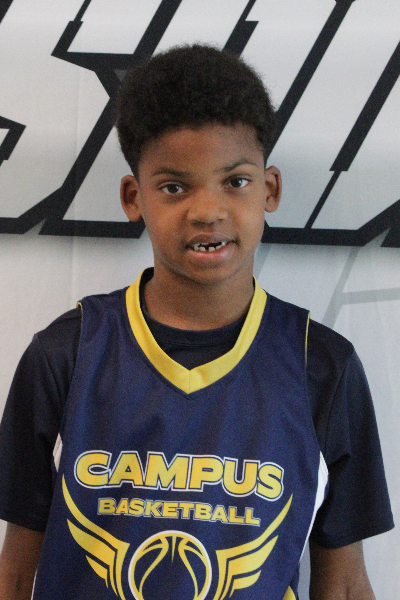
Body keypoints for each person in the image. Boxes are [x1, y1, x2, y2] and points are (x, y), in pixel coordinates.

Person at [0, 44, 393, 600]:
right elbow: (16, 570)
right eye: (174, 187)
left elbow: (346, 583)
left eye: (235, 181)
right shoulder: (66, 353)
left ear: (270, 189)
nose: (207, 211)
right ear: (134, 197)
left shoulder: (322, 365)